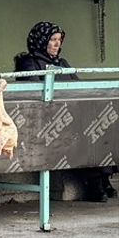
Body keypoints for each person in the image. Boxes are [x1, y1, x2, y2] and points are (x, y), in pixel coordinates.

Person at [13, 21, 117, 201]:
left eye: (59, 40)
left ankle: (104, 178)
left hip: (71, 114)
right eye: (52, 40)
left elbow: (78, 88)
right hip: (45, 119)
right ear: (41, 41)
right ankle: (94, 182)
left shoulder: (61, 62)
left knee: (103, 126)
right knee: (89, 132)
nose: (57, 44)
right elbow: (34, 91)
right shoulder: (29, 62)